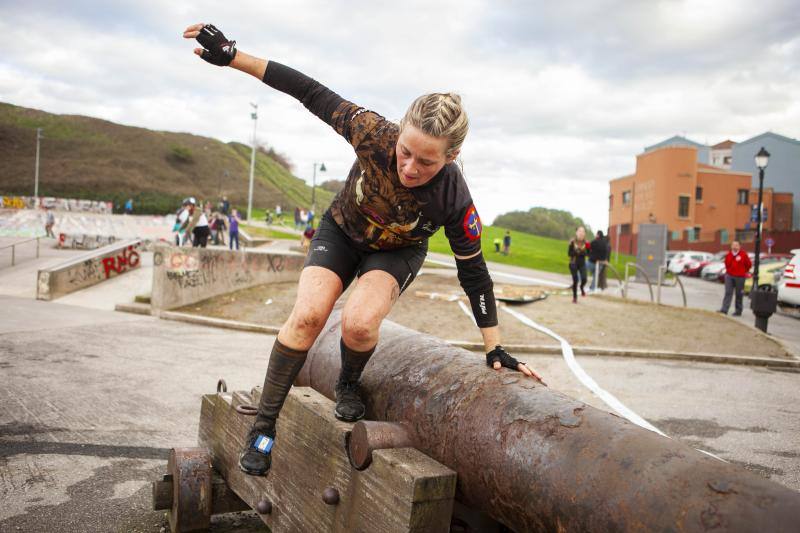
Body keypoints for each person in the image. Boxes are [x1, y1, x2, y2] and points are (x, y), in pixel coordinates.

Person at [183, 22, 544, 477]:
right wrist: (234, 56)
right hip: (342, 231)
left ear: (450, 158)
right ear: (400, 132)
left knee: (358, 324)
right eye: (405, 151)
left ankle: (348, 382)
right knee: (308, 316)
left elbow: (474, 273)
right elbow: (307, 91)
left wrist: (494, 348)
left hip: (397, 251)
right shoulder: (372, 132)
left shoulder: (454, 198)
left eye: (426, 161)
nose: (409, 167)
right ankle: (264, 426)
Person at [719, 240, 751, 316]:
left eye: (736, 245)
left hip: (740, 277)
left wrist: (743, 271)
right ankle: (724, 309)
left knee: (739, 294)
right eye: (733, 245)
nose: (734, 247)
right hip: (729, 276)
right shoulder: (729, 254)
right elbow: (727, 264)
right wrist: (729, 271)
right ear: (731, 246)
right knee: (728, 292)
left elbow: (748, 265)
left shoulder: (743, 254)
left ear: (739, 246)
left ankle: (738, 311)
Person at [568, 226, 590, 303]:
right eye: (580, 231)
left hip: (582, 263)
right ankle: (575, 297)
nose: (581, 233)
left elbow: (588, 253)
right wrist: (576, 252)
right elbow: (569, 253)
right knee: (575, 280)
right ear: (576, 232)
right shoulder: (572, 242)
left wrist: (582, 252)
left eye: (583, 231)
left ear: (585, 234)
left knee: (584, 279)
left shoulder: (587, 243)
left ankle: (581, 287)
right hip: (573, 263)